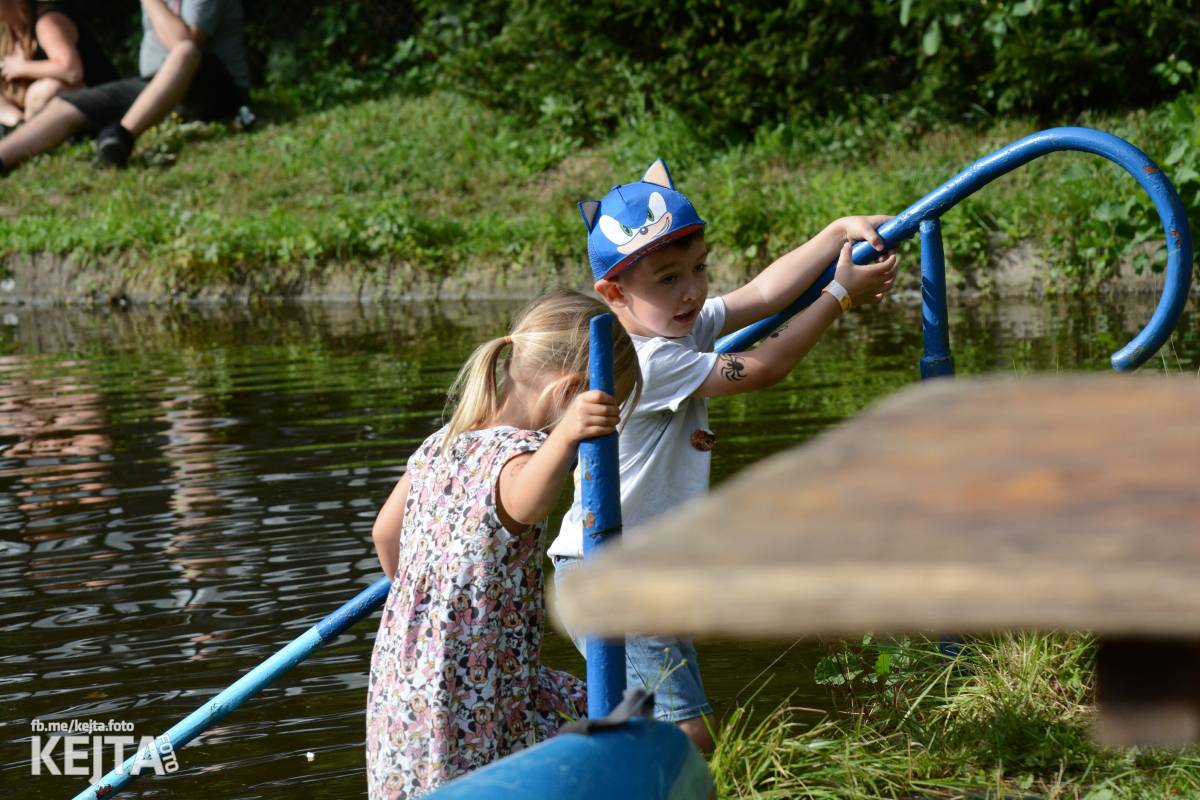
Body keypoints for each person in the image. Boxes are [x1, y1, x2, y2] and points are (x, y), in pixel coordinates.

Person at [548, 158, 900, 753]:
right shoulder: (648, 359)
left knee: (653, 728)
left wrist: (837, 232)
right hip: (610, 568)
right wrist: (839, 294)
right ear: (614, 294)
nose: (692, 290)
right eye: (667, 279)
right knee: (691, 732)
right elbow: (765, 366)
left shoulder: (675, 331)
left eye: (699, 267)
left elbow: (763, 294)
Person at [365, 289, 643, 800]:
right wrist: (566, 439)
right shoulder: (524, 454)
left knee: (592, 713)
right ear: (572, 393)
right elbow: (525, 501)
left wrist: (427, 604)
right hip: (470, 690)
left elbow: (386, 533)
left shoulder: (443, 441)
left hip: (405, 678)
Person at [0, 0, 250, 174]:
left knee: (186, 51)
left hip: (214, 86)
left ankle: (120, 138)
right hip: (155, 85)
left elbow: (183, 44)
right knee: (66, 105)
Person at [0, 0, 117, 128]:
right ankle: (18, 124)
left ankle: (25, 132)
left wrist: (22, 67)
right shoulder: (8, 30)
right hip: (40, 110)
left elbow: (72, 71)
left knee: (44, 91)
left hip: (98, 97)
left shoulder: (47, 21)